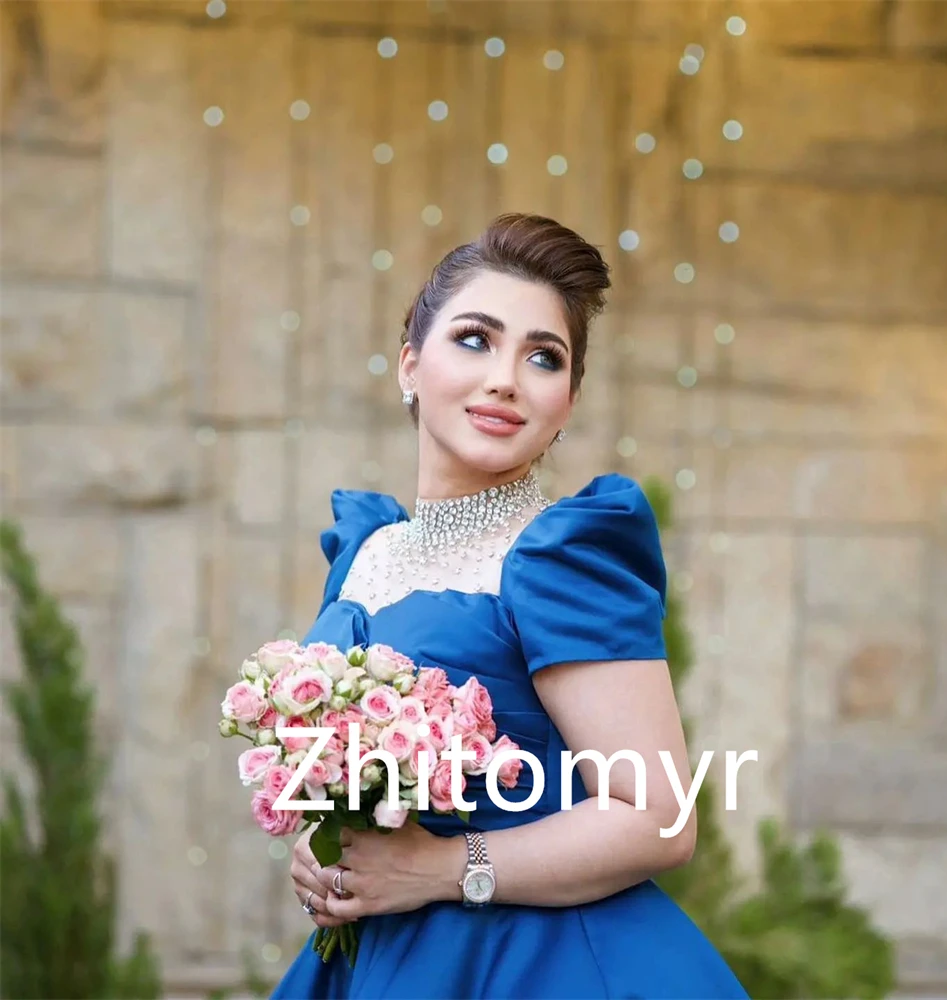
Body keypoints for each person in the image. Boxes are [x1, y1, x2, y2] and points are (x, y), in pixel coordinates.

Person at [270, 213, 749, 999]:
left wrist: (445, 868)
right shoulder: (366, 552)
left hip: (535, 965)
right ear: (409, 364)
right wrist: (329, 848)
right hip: (380, 959)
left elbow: (660, 815)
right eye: (474, 339)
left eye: (543, 357)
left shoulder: (563, 557)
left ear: (566, 404)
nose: (507, 378)